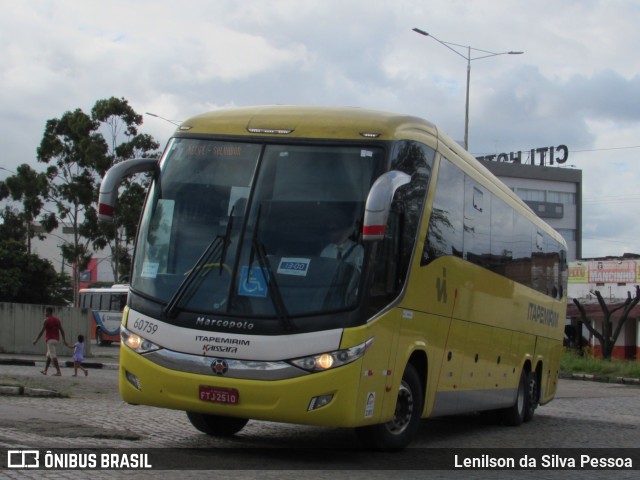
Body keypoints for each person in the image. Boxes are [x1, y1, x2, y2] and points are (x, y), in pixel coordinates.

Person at [33, 307, 68, 376]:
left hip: (50, 340)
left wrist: (36, 340)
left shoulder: (46, 320)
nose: (45, 313)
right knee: (49, 356)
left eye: (46, 312)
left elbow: (42, 332)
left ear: (49, 312)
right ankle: (45, 371)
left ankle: (58, 372)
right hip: (56, 340)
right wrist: (64, 340)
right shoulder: (57, 320)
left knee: (53, 356)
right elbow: (62, 331)